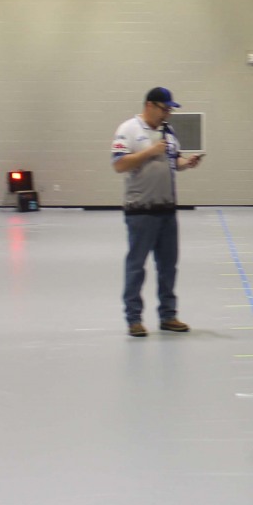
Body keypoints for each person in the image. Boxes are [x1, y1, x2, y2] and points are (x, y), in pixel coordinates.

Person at [111, 87, 203, 337]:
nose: (167, 114)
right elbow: (119, 164)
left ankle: (168, 315)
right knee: (136, 266)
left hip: (167, 211)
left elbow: (175, 161)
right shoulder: (128, 129)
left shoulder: (168, 133)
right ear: (150, 105)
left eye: (170, 110)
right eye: (165, 109)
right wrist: (150, 152)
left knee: (168, 266)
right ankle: (134, 319)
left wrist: (187, 163)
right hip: (140, 211)